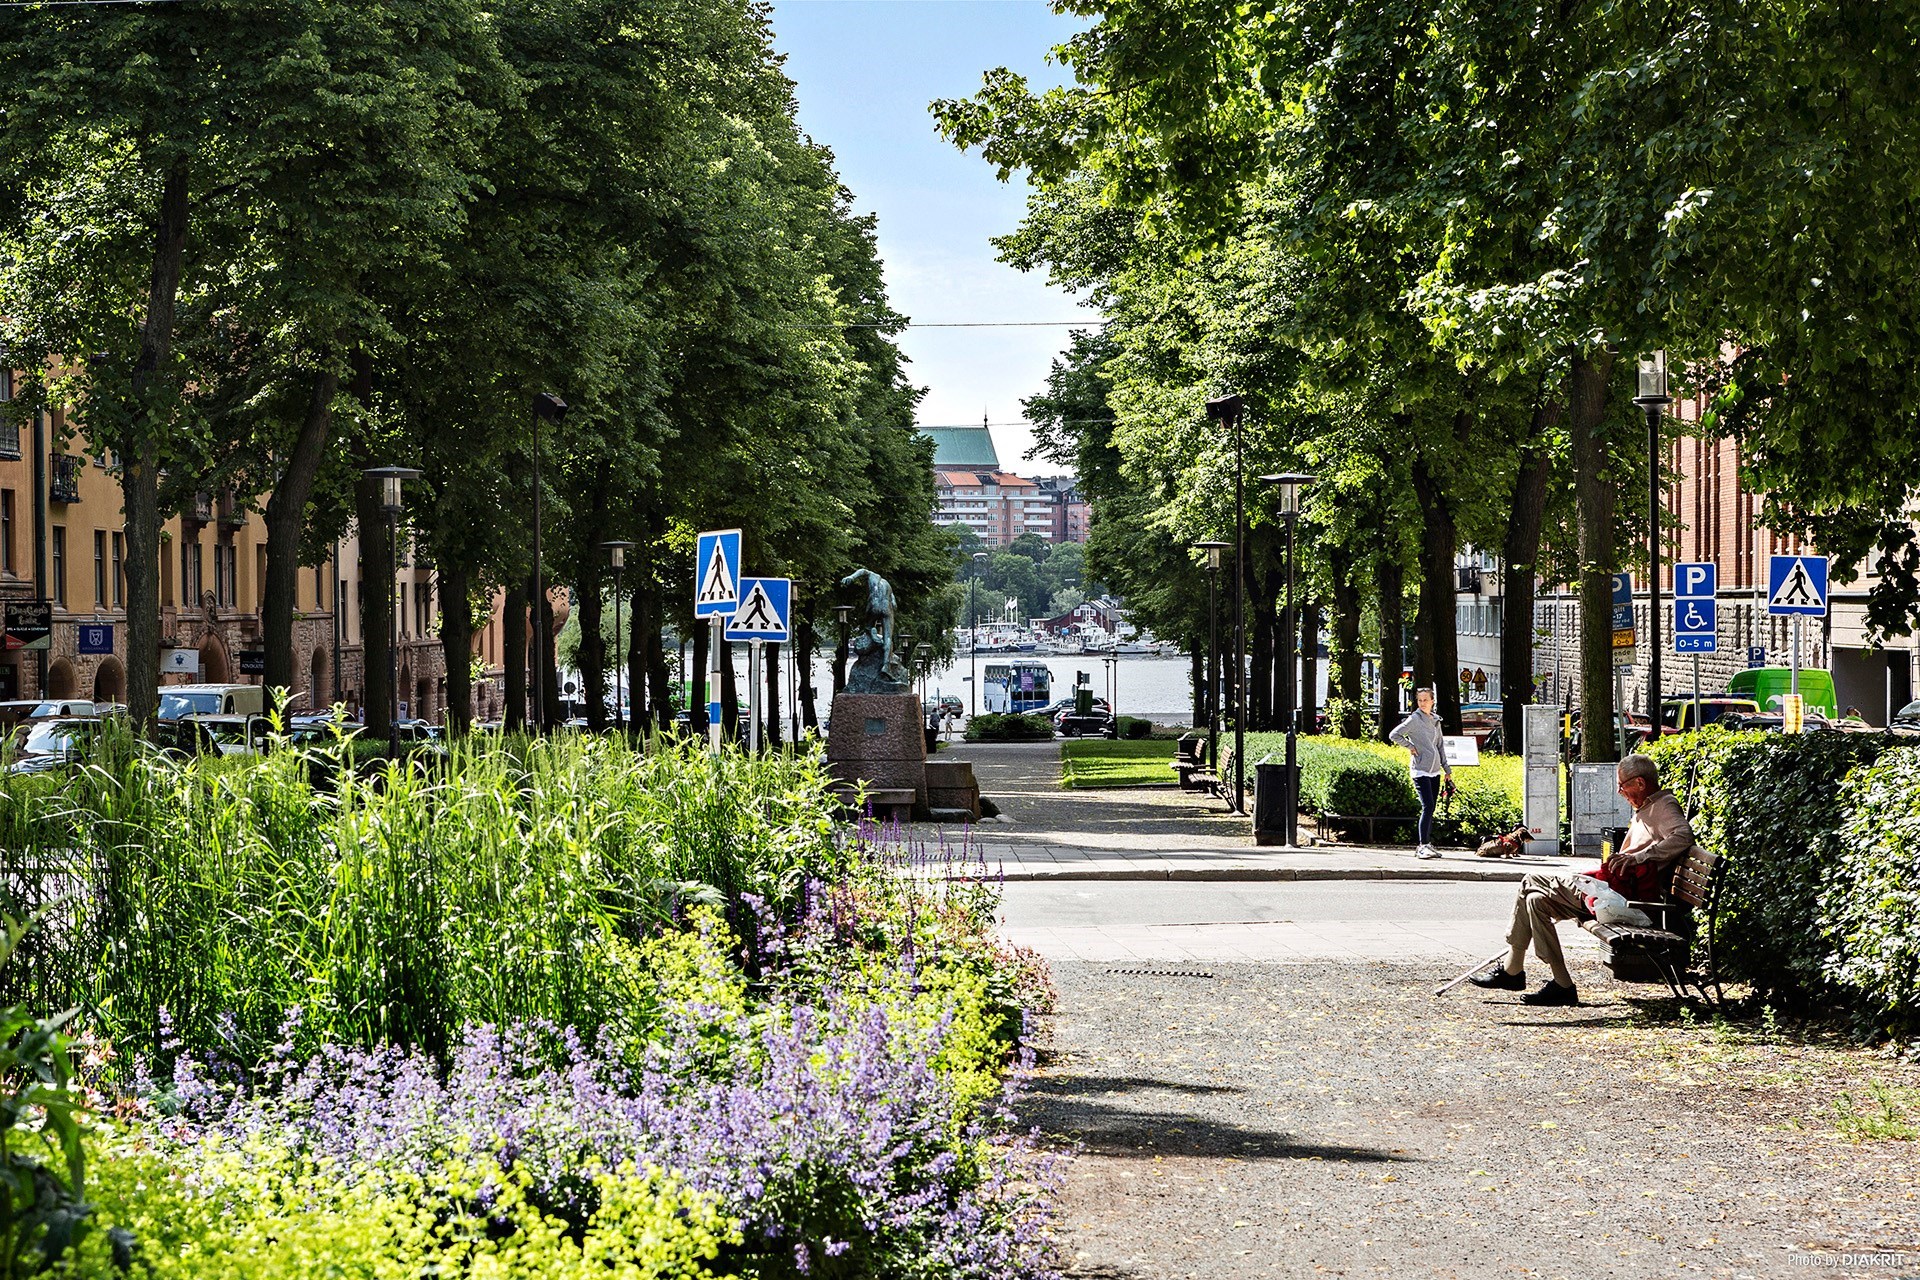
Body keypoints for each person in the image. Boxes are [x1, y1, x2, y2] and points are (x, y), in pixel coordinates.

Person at [1472, 753, 1701, 1006]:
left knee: (1531, 879)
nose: (1619, 791)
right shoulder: (1646, 807)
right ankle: (1562, 985)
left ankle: (1512, 971)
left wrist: (1640, 857)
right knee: (1536, 901)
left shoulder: (1663, 805)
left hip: (1625, 901)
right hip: (1614, 895)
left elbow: (1683, 836)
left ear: (1640, 783)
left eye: (1622, 785)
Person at [1387, 687, 1450, 859]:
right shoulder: (1414, 719)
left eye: (1425, 700)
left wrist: (1447, 770)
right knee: (1427, 806)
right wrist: (1410, 746)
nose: (1422, 703)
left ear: (1432, 701)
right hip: (1420, 770)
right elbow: (1394, 734)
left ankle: (1427, 844)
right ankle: (1422, 846)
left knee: (1431, 808)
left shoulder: (1435, 720)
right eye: (1419, 700)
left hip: (1435, 770)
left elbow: (1440, 746)